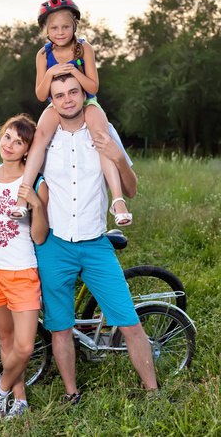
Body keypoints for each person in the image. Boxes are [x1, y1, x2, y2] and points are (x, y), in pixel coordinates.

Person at [34, 74, 159, 404]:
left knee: (130, 323)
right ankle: (71, 393)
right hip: (54, 246)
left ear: (83, 94)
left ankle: (154, 392)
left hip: (95, 245)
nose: (67, 99)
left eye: (73, 92)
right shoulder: (45, 137)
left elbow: (130, 189)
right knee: (59, 328)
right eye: (59, 95)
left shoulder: (101, 129)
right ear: (52, 100)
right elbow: (11, 170)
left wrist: (118, 156)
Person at [11, 0, 132, 227]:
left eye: (65, 26)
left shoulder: (84, 47)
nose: (60, 32)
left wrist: (75, 72)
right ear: (46, 30)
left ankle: (118, 200)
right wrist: (50, 73)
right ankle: (21, 198)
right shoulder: (43, 55)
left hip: (86, 101)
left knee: (101, 137)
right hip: (56, 103)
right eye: (54, 27)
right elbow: (40, 94)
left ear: (74, 26)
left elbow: (93, 88)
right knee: (39, 138)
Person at [0, 114, 49, 420]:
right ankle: (19, 401)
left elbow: (40, 237)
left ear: (28, 150)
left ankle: (1, 386)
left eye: (19, 141)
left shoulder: (35, 183)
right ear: (0, 136)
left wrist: (38, 205)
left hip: (20, 272)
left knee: (25, 346)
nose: (10, 144)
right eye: (7, 136)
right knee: (4, 339)